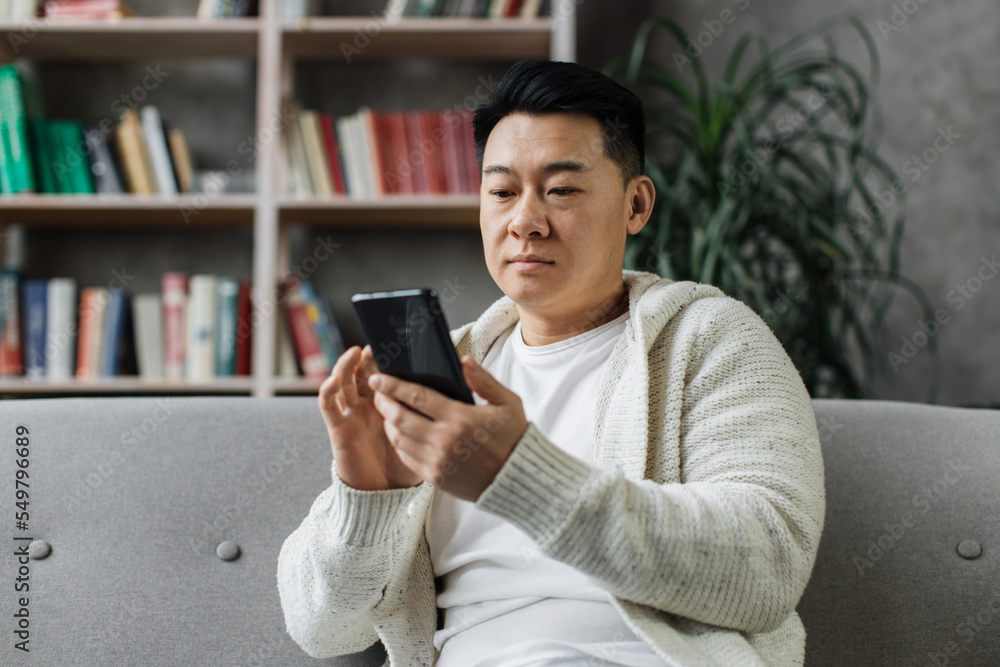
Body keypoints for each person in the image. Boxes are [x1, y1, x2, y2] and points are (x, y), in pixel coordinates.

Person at [276, 59, 825, 667]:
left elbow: (769, 567)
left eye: (561, 190)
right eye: (503, 192)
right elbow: (320, 629)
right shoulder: (445, 368)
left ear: (636, 205)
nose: (525, 222)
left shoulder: (711, 339)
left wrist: (521, 476)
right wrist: (367, 494)